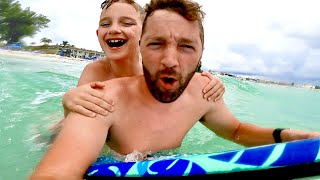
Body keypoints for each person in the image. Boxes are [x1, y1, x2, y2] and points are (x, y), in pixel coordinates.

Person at [29, 0, 320, 179]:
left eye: (186, 46)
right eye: (156, 44)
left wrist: (286, 135)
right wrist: (71, 108)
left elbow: (236, 131)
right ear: (141, 47)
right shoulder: (101, 97)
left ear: (201, 53)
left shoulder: (202, 92)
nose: (170, 60)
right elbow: (57, 172)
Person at [60, 0, 225, 120]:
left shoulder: (153, 72)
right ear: (98, 34)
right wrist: (68, 102)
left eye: (127, 23)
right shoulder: (94, 70)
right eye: (105, 24)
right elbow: (78, 118)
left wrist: (213, 83)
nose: (114, 29)